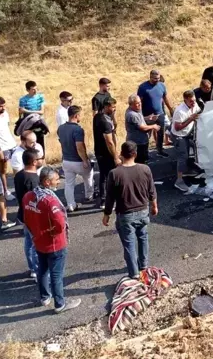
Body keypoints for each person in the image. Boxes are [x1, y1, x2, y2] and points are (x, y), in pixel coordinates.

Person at [23, 167, 81, 313]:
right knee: (56, 274)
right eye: (56, 180)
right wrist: (53, 233)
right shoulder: (50, 201)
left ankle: (45, 298)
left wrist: (37, 233)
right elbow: (60, 224)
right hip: (54, 244)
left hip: (38, 241)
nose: (58, 182)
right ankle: (60, 304)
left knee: (42, 269)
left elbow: (26, 219)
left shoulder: (28, 196)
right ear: (47, 182)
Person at [103, 142, 158, 279]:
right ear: (135, 154)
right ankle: (144, 266)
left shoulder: (114, 174)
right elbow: (152, 191)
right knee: (143, 238)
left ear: (121, 155)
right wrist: (154, 205)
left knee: (129, 245)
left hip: (126, 214)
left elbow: (110, 197)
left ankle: (134, 273)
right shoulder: (145, 169)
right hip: (143, 211)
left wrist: (107, 214)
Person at [58, 106, 93, 212]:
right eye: (80, 114)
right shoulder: (78, 129)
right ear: (76, 115)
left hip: (66, 160)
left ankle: (70, 204)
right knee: (88, 176)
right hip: (77, 161)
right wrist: (85, 160)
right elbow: (79, 146)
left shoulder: (60, 128)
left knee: (69, 184)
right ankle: (89, 195)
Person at [172, 90, 204, 192]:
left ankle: (187, 170)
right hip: (179, 136)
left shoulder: (194, 105)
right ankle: (179, 181)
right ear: (185, 100)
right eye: (191, 101)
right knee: (183, 156)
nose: (193, 103)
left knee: (192, 150)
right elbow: (177, 128)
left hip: (187, 134)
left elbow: (198, 112)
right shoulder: (180, 111)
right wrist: (191, 119)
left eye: (194, 100)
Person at [14, 150, 39, 279]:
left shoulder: (19, 175)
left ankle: (32, 267)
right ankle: (37, 270)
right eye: (39, 158)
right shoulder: (33, 180)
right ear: (34, 162)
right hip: (32, 217)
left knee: (28, 242)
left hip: (22, 214)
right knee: (36, 244)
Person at [137, 70, 174, 157]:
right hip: (147, 116)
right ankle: (144, 153)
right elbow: (139, 101)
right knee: (146, 134)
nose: (157, 80)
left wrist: (170, 109)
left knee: (160, 133)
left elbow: (165, 98)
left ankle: (160, 150)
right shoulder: (142, 87)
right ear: (150, 77)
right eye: (155, 78)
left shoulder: (162, 85)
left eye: (158, 78)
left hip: (159, 114)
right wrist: (140, 115)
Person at [0, 96, 18, 201]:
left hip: (12, 145)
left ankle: (19, 188)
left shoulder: (5, 114)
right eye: (0, 106)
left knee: (17, 168)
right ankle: (5, 191)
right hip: (2, 148)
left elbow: (6, 128)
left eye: (4, 105)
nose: (3, 108)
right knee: (3, 170)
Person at [94, 98, 120, 210]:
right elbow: (109, 141)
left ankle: (103, 199)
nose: (114, 109)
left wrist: (113, 116)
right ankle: (108, 199)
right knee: (110, 176)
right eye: (113, 107)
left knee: (103, 176)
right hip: (106, 153)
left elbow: (115, 125)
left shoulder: (98, 117)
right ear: (107, 107)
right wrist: (115, 157)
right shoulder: (105, 122)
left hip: (99, 151)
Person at [125, 95, 160, 165]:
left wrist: (148, 118)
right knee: (139, 163)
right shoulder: (132, 114)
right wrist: (153, 126)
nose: (140, 104)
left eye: (140, 102)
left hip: (142, 141)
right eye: (137, 103)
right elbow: (142, 128)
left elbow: (139, 119)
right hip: (137, 143)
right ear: (131, 104)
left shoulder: (136, 109)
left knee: (143, 160)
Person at [18, 81, 46, 151]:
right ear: (27, 90)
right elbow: (21, 113)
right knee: (29, 145)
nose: (35, 91)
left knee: (40, 145)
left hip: (38, 124)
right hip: (28, 126)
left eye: (36, 88)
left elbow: (42, 112)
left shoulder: (40, 97)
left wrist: (27, 111)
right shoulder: (23, 100)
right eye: (33, 89)